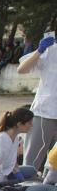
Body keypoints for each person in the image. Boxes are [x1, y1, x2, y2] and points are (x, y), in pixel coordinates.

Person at [17, 32, 57, 173]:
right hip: (44, 114)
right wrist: (40, 51)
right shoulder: (51, 51)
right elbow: (21, 69)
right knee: (31, 163)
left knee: (54, 166)